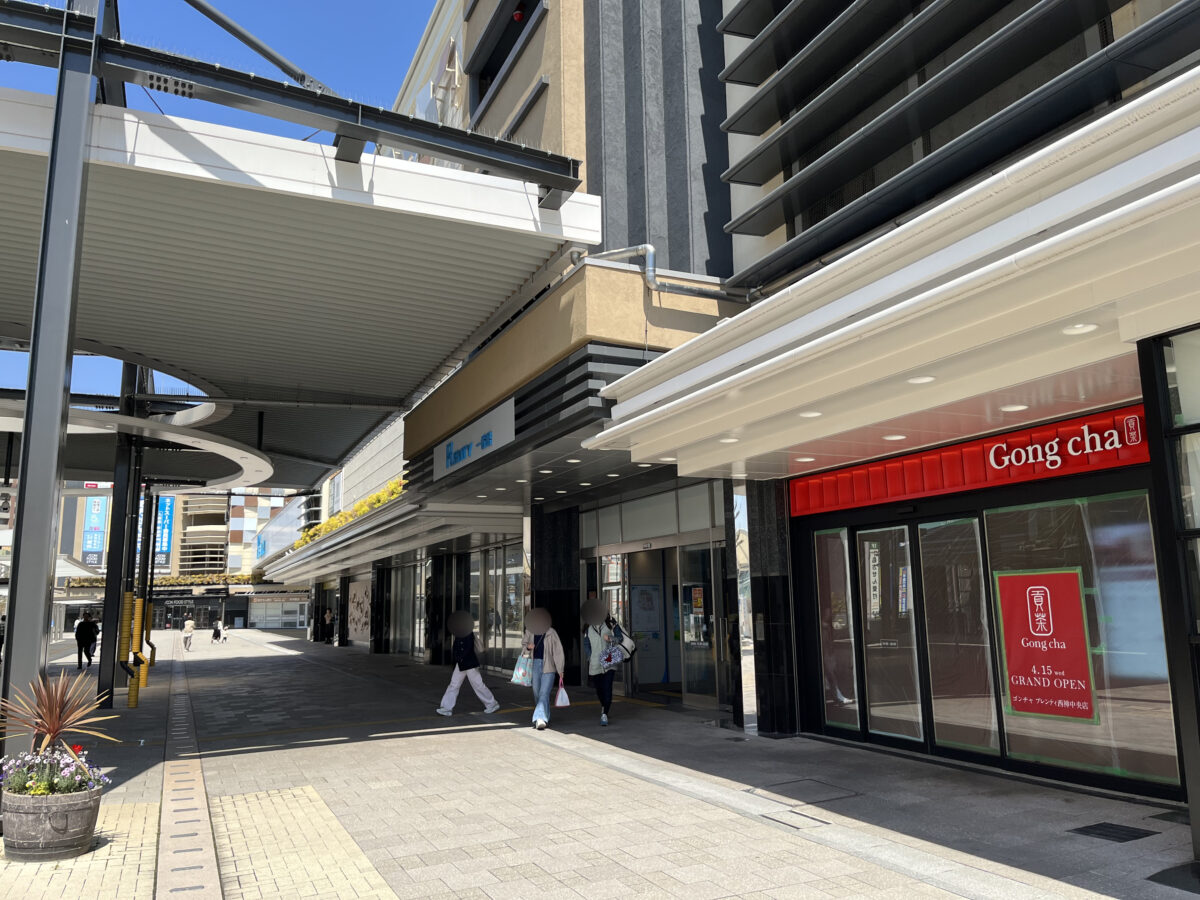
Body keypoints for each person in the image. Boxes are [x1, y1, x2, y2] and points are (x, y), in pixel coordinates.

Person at [436, 610, 499, 717]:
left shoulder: (468, 633)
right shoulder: (460, 633)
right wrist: (458, 659)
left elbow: (467, 648)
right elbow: (456, 648)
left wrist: (459, 658)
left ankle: (492, 704)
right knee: (454, 685)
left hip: (469, 664)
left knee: (477, 685)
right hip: (462, 664)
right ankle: (446, 708)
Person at [522, 608, 564, 730]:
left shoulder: (551, 632)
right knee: (537, 693)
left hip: (549, 666)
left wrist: (560, 669)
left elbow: (558, 652)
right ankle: (545, 716)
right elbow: (523, 648)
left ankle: (539, 718)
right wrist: (528, 648)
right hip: (534, 665)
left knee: (543, 693)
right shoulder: (529, 631)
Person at [582, 599, 615, 726]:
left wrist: (610, 638)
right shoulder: (588, 628)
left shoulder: (610, 625)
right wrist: (590, 656)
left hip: (609, 662)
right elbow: (586, 644)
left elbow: (620, 639)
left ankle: (604, 714)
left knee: (607, 688)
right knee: (599, 689)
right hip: (595, 663)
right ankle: (604, 706)